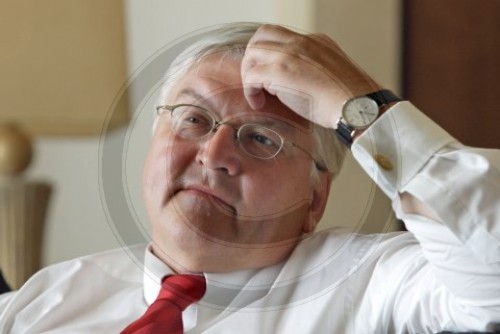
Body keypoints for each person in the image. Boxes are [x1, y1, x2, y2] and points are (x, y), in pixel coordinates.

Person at [1, 22, 499, 333]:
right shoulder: (46, 301)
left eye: (262, 138)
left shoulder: (375, 287)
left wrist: (362, 105)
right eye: (193, 119)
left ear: (314, 199)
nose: (214, 155)